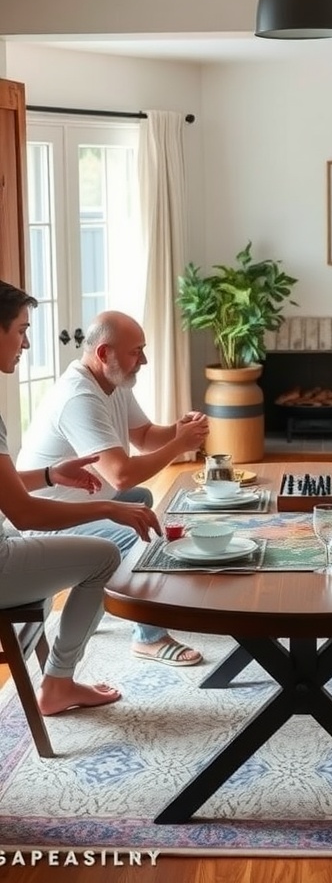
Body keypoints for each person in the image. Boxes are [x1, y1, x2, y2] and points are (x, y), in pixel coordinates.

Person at [0, 280, 161, 716]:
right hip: (11, 544)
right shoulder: (79, 393)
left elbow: (6, 489)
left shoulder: (113, 384)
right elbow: (21, 510)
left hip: (15, 531)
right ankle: (59, 684)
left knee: (134, 503)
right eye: (20, 329)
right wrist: (110, 506)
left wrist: (53, 473)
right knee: (107, 552)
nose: (27, 342)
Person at [17, 310, 210, 667]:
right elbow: (121, 475)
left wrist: (180, 430)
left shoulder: (112, 381)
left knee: (143, 501)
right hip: (46, 520)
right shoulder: (80, 397)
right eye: (137, 351)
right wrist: (179, 444)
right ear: (105, 354)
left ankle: (110, 597)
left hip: (82, 502)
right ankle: (149, 638)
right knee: (142, 534)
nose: (145, 360)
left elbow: (145, 436)